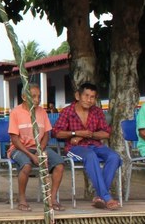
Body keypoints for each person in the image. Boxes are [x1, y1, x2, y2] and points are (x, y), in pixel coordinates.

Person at [53, 82, 122, 210]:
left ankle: (99, 196)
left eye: (92, 97)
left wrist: (87, 135)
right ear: (78, 96)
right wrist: (75, 133)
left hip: (95, 145)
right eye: (86, 96)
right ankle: (106, 197)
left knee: (114, 157)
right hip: (74, 148)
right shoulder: (67, 111)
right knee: (90, 156)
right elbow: (57, 133)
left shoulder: (97, 111)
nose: (89, 100)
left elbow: (106, 133)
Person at [7, 84, 66, 212]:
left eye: (39, 96)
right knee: (27, 165)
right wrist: (32, 155)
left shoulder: (42, 111)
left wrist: (40, 150)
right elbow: (15, 140)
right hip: (19, 149)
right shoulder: (15, 113)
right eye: (33, 96)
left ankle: (52, 198)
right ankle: (22, 199)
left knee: (59, 164)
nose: (37, 99)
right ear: (24, 97)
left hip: (39, 148)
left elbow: (46, 134)